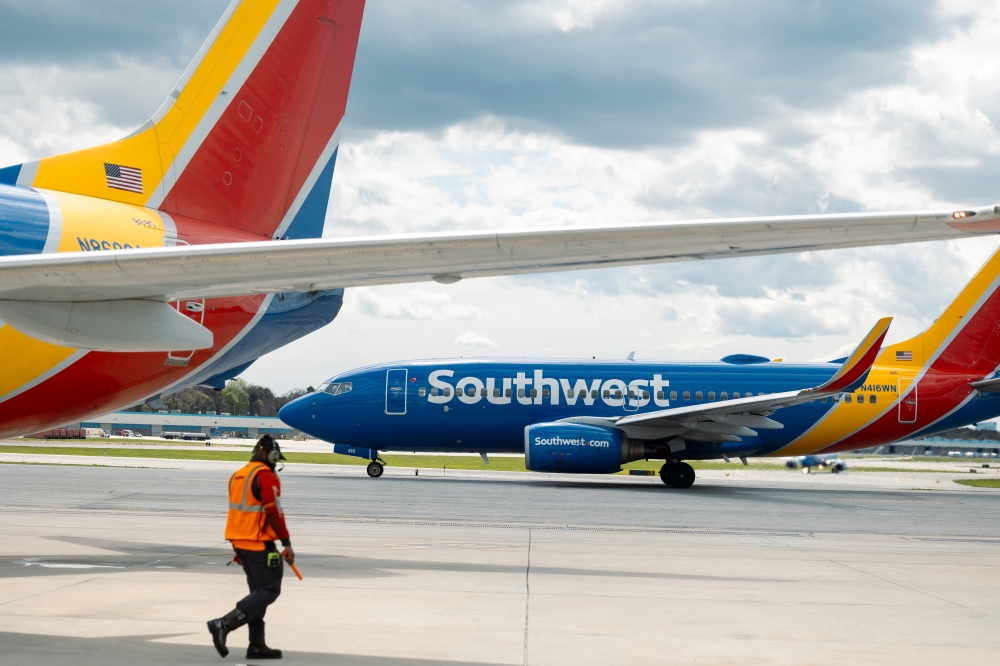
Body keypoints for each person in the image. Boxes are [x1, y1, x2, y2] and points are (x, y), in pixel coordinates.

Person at [207, 435, 294, 659]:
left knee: (258, 593)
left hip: (239, 542)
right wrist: (286, 543)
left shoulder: (239, 474)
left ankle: (257, 644)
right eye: (275, 457)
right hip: (257, 542)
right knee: (269, 590)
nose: (276, 462)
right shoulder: (265, 477)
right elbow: (273, 512)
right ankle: (224, 624)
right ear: (270, 454)